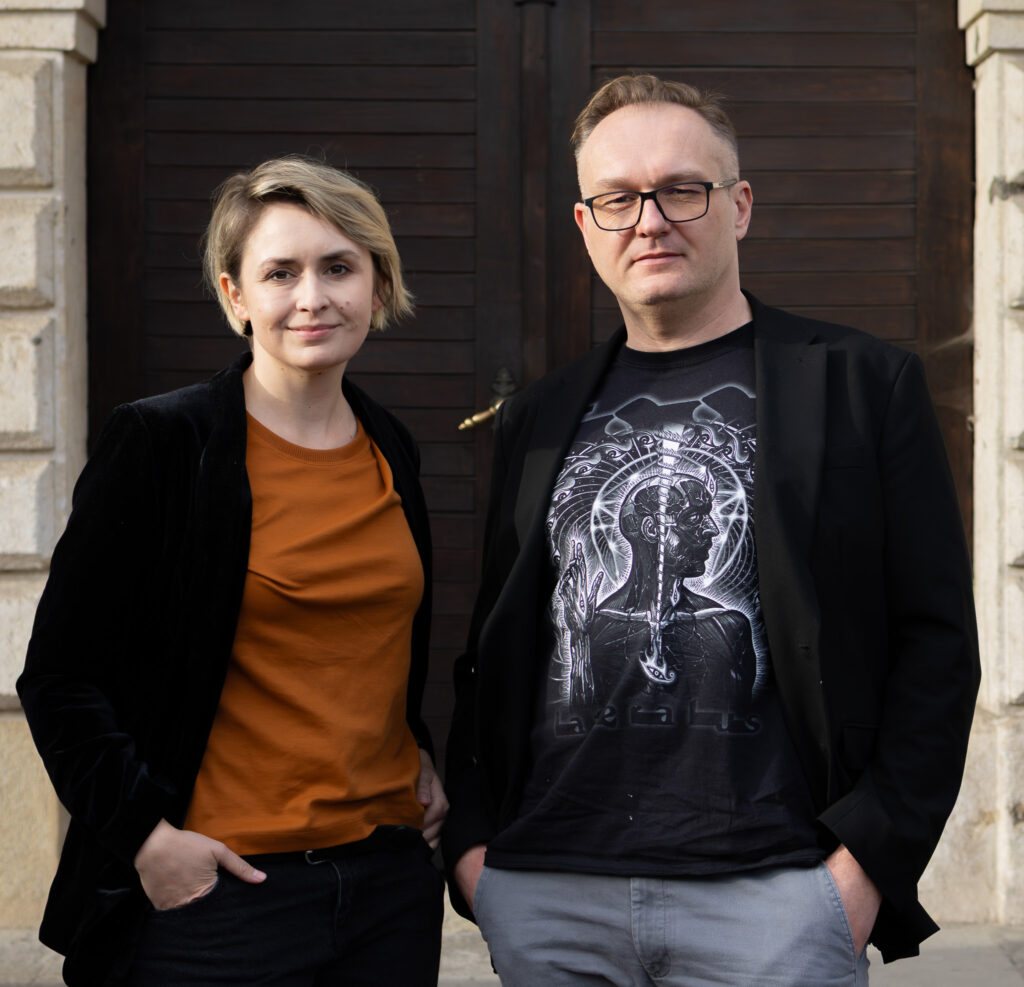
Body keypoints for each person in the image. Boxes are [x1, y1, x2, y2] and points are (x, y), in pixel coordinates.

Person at [443, 74, 980, 985]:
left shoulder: (860, 383)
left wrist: (865, 864)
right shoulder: (537, 415)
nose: (650, 221)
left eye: (681, 190)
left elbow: (938, 641)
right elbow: (494, 646)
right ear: (586, 226)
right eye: (618, 199)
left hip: (777, 897)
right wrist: (473, 853)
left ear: (739, 206)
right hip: (551, 893)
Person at [18, 155, 447, 986]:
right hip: (222, 897)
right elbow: (59, 677)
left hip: (387, 887)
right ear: (235, 295)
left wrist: (419, 753)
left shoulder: (391, 445)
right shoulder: (162, 445)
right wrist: (147, 838)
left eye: (339, 267)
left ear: (378, 286)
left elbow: (370, 645)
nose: (312, 296)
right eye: (280, 272)